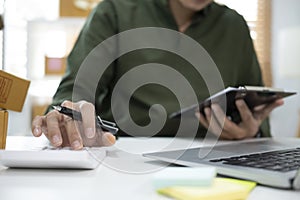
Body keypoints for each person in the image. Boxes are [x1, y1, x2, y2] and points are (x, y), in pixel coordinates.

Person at [31, 0, 283, 150]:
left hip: (216, 160)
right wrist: (69, 115)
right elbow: (76, 91)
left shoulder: (234, 25)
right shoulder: (115, 11)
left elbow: (257, 110)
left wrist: (252, 132)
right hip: (124, 156)